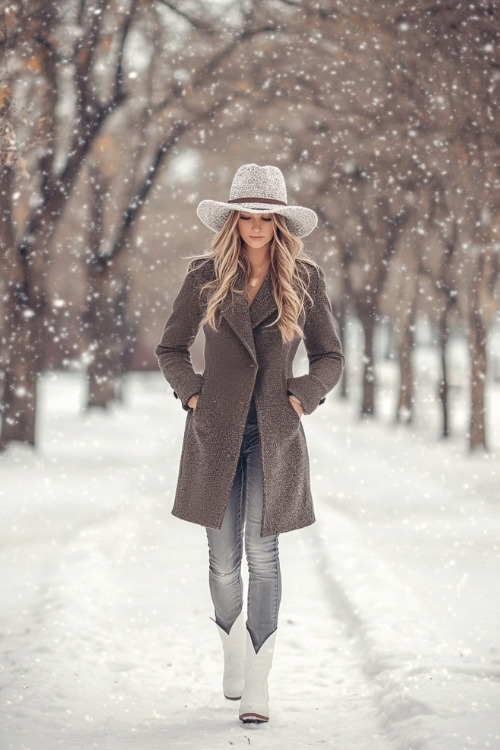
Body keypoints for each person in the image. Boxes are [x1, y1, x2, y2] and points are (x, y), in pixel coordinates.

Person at [155, 164, 344, 724]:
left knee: (264, 555)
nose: (257, 225)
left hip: (273, 434)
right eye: (247, 215)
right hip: (215, 433)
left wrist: (301, 396)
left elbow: (330, 356)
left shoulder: (304, 278)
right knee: (221, 560)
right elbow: (171, 348)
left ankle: (259, 680)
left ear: (280, 222)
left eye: (267, 216)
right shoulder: (204, 275)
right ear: (233, 219)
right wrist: (192, 395)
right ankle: (232, 651)